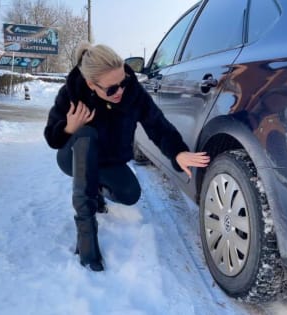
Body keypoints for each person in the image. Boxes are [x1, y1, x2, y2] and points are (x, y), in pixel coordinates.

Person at [44, 43, 210, 272]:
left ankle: (98, 189)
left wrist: (177, 151)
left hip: (109, 161)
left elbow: (157, 124)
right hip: (73, 157)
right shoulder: (72, 94)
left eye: (122, 83)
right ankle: (86, 233)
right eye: (111, 89)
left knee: (130, 194)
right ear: (92, 85)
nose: (120, 91)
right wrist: (69, 128)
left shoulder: (132, 92)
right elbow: (52, 138)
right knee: (86, 133)